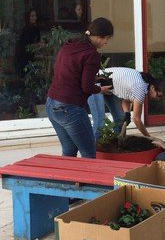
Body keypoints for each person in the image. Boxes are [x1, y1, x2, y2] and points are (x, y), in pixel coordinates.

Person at [46, 17, 114, 158]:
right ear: (98, 37)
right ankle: (88, 175)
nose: (106, 42)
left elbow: (67, 71)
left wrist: (92, 78)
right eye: (106, 38)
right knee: (89, 153)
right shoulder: (92, 54)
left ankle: (67, 173)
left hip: (51, 103)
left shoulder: (70, 45)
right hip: (69, 108)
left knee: (69, 151)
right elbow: (87, 87)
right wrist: (100, 89)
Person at [87, 67, 157, 139]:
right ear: (153, 87)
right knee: (100, 122)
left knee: (120, 118)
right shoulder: (141, 88)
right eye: (158, 95)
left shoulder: (141, 84)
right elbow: (136, 119)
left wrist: (127, 113)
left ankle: (118, 142)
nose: (158, 98)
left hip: (110, 87)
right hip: (94, 83)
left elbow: (126, 100)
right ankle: (93, 145)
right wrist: (149, 138)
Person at [14, 9, 41, 75]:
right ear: (28, 17)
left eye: (35, 16)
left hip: (32, 56)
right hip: (24, 58)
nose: (35, 18)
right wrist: (37, 45)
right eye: (32, 16)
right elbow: (25, 45)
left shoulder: (35, 29)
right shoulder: (26, 30)